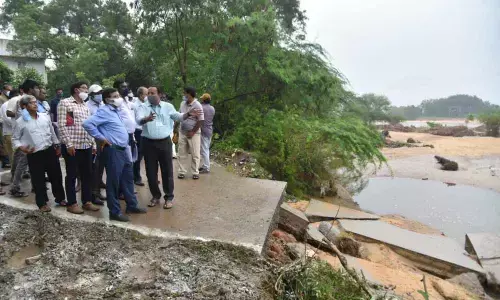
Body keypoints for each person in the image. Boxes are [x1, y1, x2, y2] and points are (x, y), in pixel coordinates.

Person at [83, 88, 147, 222]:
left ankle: (132, 205)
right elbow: (87, 124)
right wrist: (100, 137)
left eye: (118, 95)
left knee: (128, 178)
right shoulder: (104, 111)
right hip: (113, 150)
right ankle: (114, 212)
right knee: (113, 182)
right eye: (115, 96)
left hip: (124, 149)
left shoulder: (116, 110)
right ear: (107, 99)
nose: (118, 98)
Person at [136, 86, 201, 209]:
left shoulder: (168, 106)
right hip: (148, 143)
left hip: (164, 143)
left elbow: (178, 116)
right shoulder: (142, 107)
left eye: (152, 93)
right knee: (150, 172)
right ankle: (155, 196)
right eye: (148, 93)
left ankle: (169, 197)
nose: (149, 95)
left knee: (167, 171)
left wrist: (188, 114)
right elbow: (138, 120)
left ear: (160, 94)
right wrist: (146, 119)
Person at [12, 95, 66, 211]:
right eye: (32, 103)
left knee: (56, 176)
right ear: (25, 106)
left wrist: (57, 145)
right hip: (34, 153)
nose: (35, 104)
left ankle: (60, 198)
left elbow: (52, 132)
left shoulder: (44, 116)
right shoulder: (20, 122)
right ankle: (42, 203)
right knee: (38, 179)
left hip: (49, 150)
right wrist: (23, 148)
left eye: (35, 102)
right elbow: (15, 139)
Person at [57, 81, 100, 214]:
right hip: (72, 146)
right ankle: (72, 203)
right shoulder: (65, 103)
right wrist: (68, 144)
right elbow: (62, 125)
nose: (87, 91)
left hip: (86, 145)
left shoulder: (85, 106)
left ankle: (86, 201)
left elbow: (89, 126)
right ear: (76, 90)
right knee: (71, 175)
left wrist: (92, 143)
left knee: (87, 174)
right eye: (84, 89)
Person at [9, 80, 41, 197]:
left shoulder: (26, 100)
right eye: (36, 88)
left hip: (27, 135)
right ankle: (15, 187)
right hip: (26, 137)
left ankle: (34, 185)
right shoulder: (25, 100)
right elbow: (28, 119)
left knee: (27, 162)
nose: (38, 90)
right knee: (23, 163)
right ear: (31, 89)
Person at [176, 86, 204, 180]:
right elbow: (179, 115)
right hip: (182, 132)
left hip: (194, 134)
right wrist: (175, 127)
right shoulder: (182, 104)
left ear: (190, 94)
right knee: (181, 152)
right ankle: (181, 171)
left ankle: (195, 172)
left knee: (195, 153)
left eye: (185, 93)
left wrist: (192, 132)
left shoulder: (198, 105)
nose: (184, 95)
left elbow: (200, 121)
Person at [86, 84, 106, 201]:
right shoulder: (87, 106)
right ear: (91, 95)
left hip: (104, 138)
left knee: (101, 165)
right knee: (95, 167)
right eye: (97, 93)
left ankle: (98, 187)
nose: (100, 95)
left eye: (100, 93)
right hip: (93, 139)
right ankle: (94, 193)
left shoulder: (102, 105)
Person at [133, 87, 148, 186]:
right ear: (140, 95)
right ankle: (137, 177)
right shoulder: (135, 105)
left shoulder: (148, 104)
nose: (147, 96)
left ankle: (151, 177)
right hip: (138, 131)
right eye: (146, 94)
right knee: (138, 155)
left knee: (148, 155)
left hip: (148, 131)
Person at [199, 93, 215, 174]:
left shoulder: (202, 108)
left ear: (203, 100)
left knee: (204, 150)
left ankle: (206, 167)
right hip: (209, 130)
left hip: (203, 131)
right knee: (206, 148)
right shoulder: (212, 108)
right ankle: (205, 165)